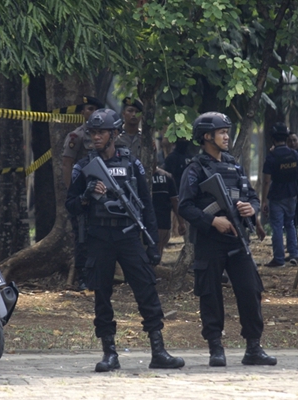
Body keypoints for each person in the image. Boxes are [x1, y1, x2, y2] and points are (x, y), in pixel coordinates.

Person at [66, 108, 184, 372]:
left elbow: (146, 205)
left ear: (114, 134)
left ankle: (158, 351)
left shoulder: (132, 163)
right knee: (102, 295)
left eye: (101, 132)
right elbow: (71, 206)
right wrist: (86, 195)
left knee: (146, 290)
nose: (96, 137)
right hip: (99, 236)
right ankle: (110, 353)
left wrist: (152, 243)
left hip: (129, 235)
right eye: (93, 132)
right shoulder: (83, 166)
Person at [178, 112, 276, 367]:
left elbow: (251, 196)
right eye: (222, 132)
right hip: (210, 242)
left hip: (237, 239)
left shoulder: (234, 166)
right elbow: (185, 206)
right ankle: (215, 348)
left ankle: (253, 347)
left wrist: (251, 209)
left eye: (227, 132)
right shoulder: (195, 169)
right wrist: (212, 221)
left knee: (251, 290)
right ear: (207, 136)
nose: (226, 137)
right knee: (210, 294)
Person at [61, 95, 105, 290]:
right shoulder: (77, 136)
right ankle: (82, 277)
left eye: (96, 109)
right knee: (81, 236)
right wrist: (74, 193)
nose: (92, 112)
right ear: (82, 113)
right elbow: (67, 164)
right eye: (89, 109)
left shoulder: (107, 135)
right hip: (83, 194)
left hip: (102, 193)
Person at [261, 123, 298, 267]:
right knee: (290, 224)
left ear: (273, 138)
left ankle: (278, 258)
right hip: (292, 194)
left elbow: (267, 181)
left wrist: (264, 201)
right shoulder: (294, 154)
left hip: (277, 195)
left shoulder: (271, 157)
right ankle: (294, 254)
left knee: (277, 226)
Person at [152, 165, 186, 258]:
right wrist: (181, 223)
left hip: (159, 223)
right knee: (156, 254)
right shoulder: (167, 176)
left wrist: (181, 223)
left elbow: (175, 201)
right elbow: (175, 201)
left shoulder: (167, 176)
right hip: (161, 223)